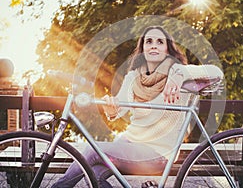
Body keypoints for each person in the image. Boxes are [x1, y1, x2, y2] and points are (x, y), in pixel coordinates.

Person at [52, 26, 224, 187]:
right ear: (142, 48)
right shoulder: (134, 77)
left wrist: (179, 75)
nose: (154, 46)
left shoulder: (178, 72)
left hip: (157, 153)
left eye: (160, 42)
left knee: (91, 149)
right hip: (130, 143)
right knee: (93, 176)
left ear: (167, 49)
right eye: (148, 42)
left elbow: (216, 72)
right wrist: (112, 109)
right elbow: (120, 107)